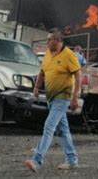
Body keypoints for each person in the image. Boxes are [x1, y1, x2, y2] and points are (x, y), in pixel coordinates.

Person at [24, 28, 81, 172]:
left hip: (63, 97)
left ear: (59, 41)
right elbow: (42, 71)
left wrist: (75, 97)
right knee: (63, 130)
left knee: (49, 126)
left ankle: (37, 160)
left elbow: (78, 76)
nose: (47, 42)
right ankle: (72, 159)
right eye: (47, 39)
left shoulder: (69, 55)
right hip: (51, 97)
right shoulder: (48, 54)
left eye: (50, 40)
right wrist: (36, 87)